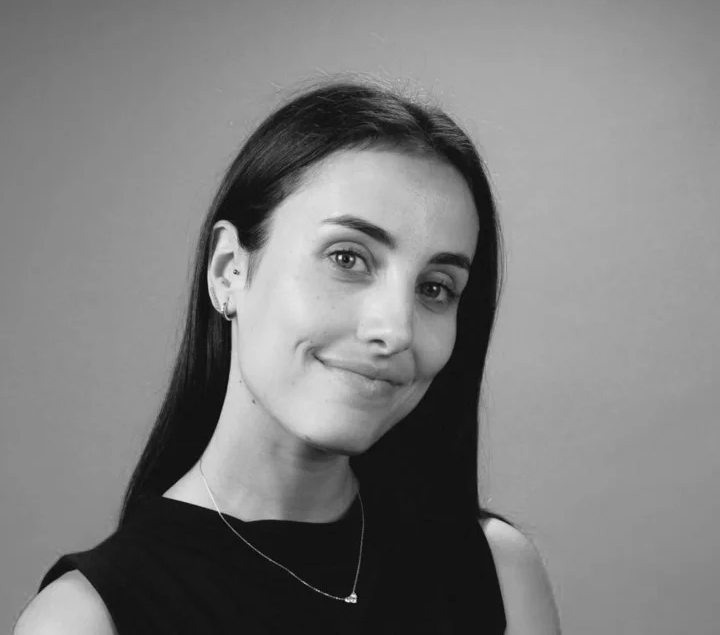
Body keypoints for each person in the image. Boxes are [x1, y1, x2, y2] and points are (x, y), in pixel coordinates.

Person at [15, 76, 561, 634]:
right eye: (347, 258)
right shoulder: (83, 621)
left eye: (436, 288)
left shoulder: (497, 572)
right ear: (229, 269)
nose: (396, 329)